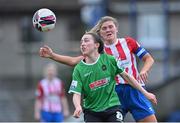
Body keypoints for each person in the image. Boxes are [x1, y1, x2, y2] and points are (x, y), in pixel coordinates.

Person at [39, 16, 157, 122]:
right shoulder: (98, 51)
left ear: (116, 29)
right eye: (104, 28)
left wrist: (144, 71)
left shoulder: (129, 42)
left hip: (134, 88)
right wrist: (52, 55)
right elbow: (73, 61)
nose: (108, 30)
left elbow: (149, 59)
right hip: (113, 93)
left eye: (110, 27)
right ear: (100, 33)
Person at [68, 32, 156, 122]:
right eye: (81, 42)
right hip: (92, 111)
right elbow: (76, 93)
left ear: (96, 45)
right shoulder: (78, 69)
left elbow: (127, 77)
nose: (82, 44)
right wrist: (78, 106)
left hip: (112, 108)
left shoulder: (109, 60)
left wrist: (145, 93)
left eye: (86, 41)